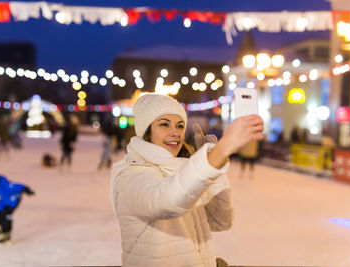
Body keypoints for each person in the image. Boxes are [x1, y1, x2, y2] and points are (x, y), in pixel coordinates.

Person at [111, 93, 264, 266]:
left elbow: (221, 221)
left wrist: (215, 170)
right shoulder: (132, 175)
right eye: (164, 124)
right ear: (146, 130)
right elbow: (167, 200)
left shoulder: (182, 171)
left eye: (180, 125)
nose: (175, 132)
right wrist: (220, 150)